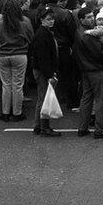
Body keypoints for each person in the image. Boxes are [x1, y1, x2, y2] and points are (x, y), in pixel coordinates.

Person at [0, 0, 34, 122]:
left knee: (6, 85)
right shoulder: (24, 21)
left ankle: (5, 112)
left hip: (2, 54)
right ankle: (17, 112)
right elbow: (31, 37)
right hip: (20, 54)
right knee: (18, 85)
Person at [74, 6, 103, 139]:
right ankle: (100, 129)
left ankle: (82, 127)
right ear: (81, 19)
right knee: (100, 99)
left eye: (92, 16)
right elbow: (100, 53)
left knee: (86, 97)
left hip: (85, 69)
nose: (92, 19)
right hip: (95, 69)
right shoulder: (89, 36)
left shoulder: (79, 32)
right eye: (88, 17)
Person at [29, 9, 61, 137]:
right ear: (42, 20)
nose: (51, 21)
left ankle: (38, 125)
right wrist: (50, 75)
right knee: (45, 99)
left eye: (52, 19)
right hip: (43, 71)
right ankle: (44, 127)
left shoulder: (44, 32)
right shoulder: (43, 35)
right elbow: (43, 58)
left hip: (41, 70)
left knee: (42, 98)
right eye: (48, 19)